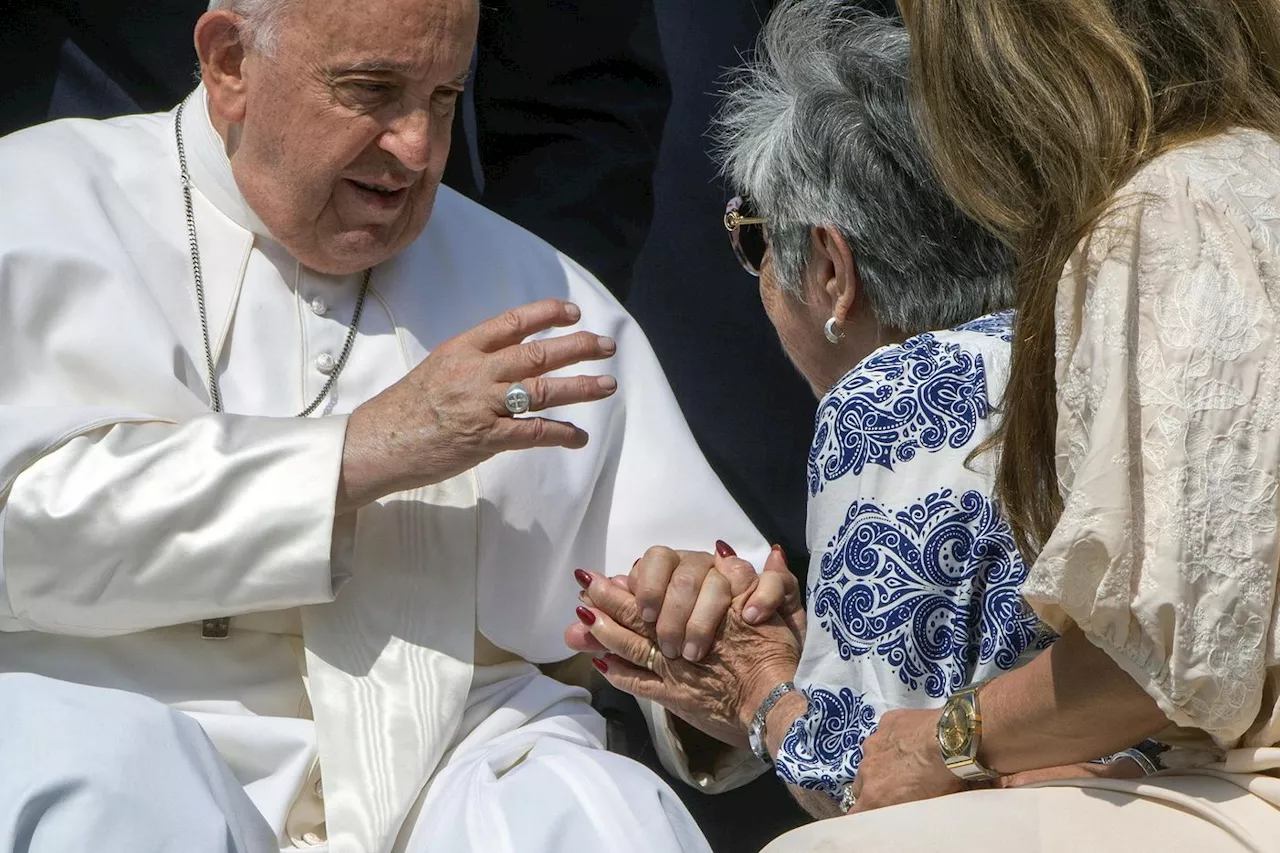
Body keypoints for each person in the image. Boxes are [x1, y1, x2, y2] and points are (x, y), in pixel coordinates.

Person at [0, 0, 773, 850]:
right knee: (101, 782)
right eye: (373, 90)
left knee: (589, 805)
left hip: (448, 762)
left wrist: (710, 625)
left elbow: (693, 601)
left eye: (445, 99)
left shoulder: (528, 282)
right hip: (136, 724)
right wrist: (354, 454)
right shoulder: (38, 206)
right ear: (228, 64)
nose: (417, 149)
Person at [620, 0, 1280, 849]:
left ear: (831, 267)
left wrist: (759, 687)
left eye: (753, 240)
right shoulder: (1222, 190)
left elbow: (870, 783)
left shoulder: (899, 392)